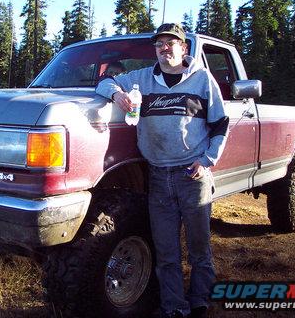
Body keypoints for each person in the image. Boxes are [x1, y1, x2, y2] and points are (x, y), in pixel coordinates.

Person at [96, 23, 229, 318]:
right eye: (159, 45)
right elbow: (104, 82)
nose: (165, 49)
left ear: (184, 48)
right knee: (166, 251)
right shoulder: (142, 79)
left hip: (192, 176)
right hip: (158, 176)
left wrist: (207, 160)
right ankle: (173, 307)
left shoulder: (202, 80)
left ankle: (200, 301)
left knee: (199, 247)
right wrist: (118, 95)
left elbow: (220, 124)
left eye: (171, 43)